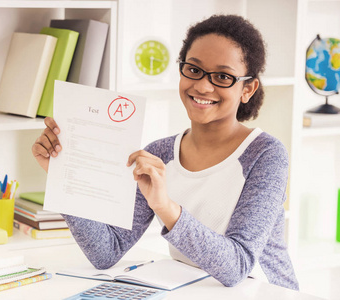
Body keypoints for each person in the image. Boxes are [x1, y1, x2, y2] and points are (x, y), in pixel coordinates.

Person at [32, 14, 299, 290]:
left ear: (247, 89)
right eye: (194, 69)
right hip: (194, 289)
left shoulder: (266, 155)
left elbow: (237, 267)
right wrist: (62, 176)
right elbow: (106, 251)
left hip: (264, 291)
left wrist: (166, 207)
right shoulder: (160, 153)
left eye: (222, 76)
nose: (203, 86)